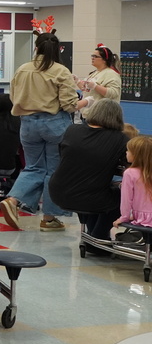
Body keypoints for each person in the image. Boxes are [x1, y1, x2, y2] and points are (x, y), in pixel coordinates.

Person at [0, 31, 78, 232]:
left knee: (33, 167)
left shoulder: (22, 69)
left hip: (27, 124)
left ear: (36, 47)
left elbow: (14, 97)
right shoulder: (61, 71)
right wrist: (86, 101)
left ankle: (13, 200)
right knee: (54, 170)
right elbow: (69, 105)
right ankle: (49, 218)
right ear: (57, 49)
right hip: (54, 124)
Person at [48, 99, 128, 244]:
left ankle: (92, 236)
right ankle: (98, 237)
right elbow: (130, 165)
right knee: (123, 194)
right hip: (90, 196)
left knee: (93, 186)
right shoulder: (120, 139)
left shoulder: (72, 130)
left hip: (57, 191)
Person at [114, 136, 152, 239]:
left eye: (128, 150)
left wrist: (124, 217)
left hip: (143, 219)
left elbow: (126, 200)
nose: (126, 152)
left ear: (136, 155)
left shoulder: (130, 173)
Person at [76, 44, 122, 117]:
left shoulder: (111, 74)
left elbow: (113, 93)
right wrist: (77, 81)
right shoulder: (94, 73)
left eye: (95, 56)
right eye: (92, 56)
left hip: (102, 116)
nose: (92, 58)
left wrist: (95, 86)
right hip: (89, 114)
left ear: (104, 59)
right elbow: (86, 90)